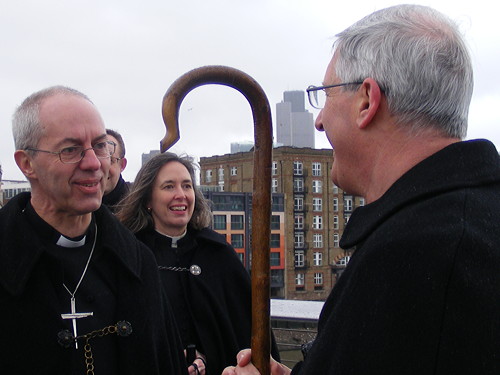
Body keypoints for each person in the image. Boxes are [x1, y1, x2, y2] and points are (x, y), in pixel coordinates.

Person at [223, 4, 500, 375]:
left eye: (326, 94)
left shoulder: (412, 256)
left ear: (367, 101)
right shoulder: (472, 219)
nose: (319, 120)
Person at [0, 86, 187, 374]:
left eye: (100, 145)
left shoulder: (138, 264)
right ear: (27, 164)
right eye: (70, 149)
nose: (93, 164)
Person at [116, 152, 280, 375]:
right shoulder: (129, 256)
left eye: (187, 186)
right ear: (147, 200)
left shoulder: (218, 253)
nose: (181, 195)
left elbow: (245, 334)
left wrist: (207, 359)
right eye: (168, 187)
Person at [102, 128, 129, 212]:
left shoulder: (137, 209)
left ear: (122, 165)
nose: (102, 167)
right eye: (97, 159)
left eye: (110, 160)